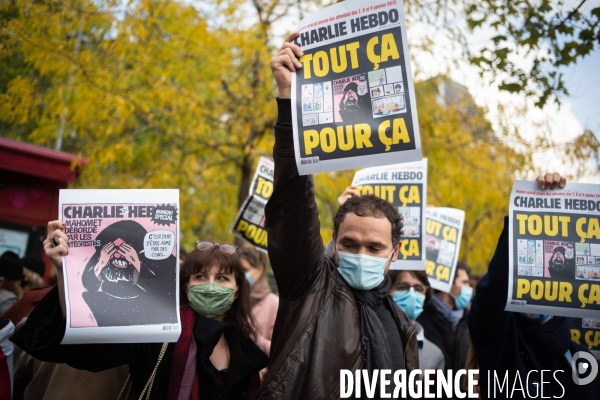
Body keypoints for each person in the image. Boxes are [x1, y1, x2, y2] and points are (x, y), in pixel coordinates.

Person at [258, 32, 418, 399]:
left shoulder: (403, 324)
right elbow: (292, 204)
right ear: (333, 243)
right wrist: (289, 102)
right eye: (349, 243)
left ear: (395, 252)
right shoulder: (310, 288)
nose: (361, 254)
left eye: (374, 247)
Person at [11, 225, 269, 400]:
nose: (211, 285)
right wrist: (64, 270)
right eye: (201, 276)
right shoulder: (157, 332)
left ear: (236, 291)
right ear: (186, 287)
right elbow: (87, 348)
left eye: (222, 278)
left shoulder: (246, 348)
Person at [468, 173, 600, 399]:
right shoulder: (499, 338)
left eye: (560, 262)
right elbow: (495, 285)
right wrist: (527, 213)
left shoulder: (585, 361)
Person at [80, 220, 177, 326]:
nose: (117, 256)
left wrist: (136, 263)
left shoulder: (155, 302)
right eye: (112, 250)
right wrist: (100, 263)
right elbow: (90, 285)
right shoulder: (92, 300)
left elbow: (167, 289)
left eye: (124, 250)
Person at [416, 260, 472, 374]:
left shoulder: (468, 320)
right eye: (464, 282)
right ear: (449, 285)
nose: (469, 288)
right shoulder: (421, 318)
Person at [388, 270, 445, 371]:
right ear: (389, 290)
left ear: (425, 295)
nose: (412, 294)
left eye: (419, 289)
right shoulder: (374, 338)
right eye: (402, 287)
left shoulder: (435, 354)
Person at [239, 247, 279, 357]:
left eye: (245, 270)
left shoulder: (273, 303)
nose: (241, 275)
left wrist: (254, 338)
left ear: (259, 270)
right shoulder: (232, 297)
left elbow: (280, 350)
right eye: (238, 271)